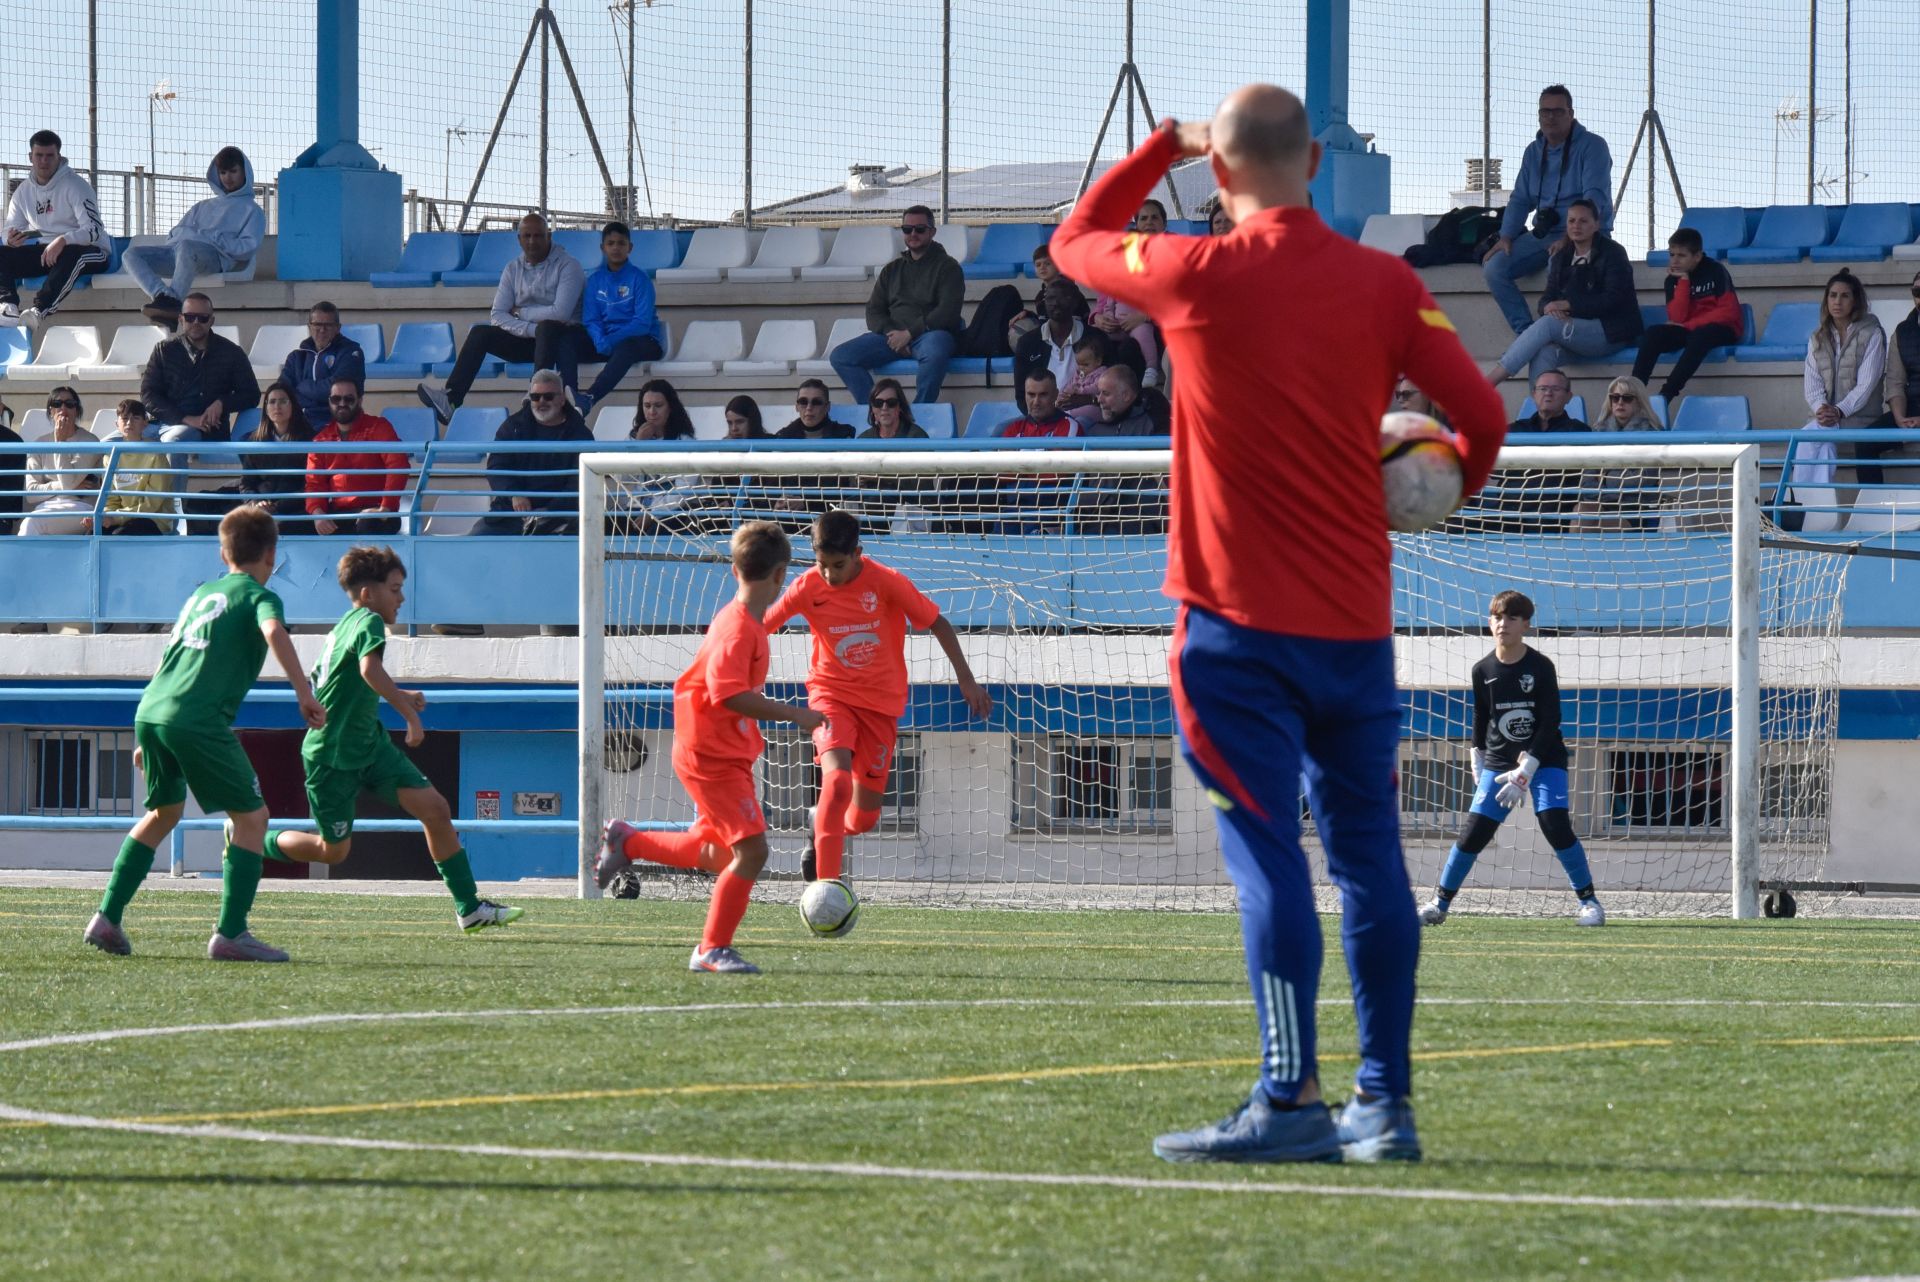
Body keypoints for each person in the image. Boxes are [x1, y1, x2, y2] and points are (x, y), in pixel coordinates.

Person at [1049, 86, 1506, 1164]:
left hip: (1233, 638)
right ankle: (1383, 1105)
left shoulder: (1193, 275)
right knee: (1371, 865)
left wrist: (1161, 142)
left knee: (1269, 866)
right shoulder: (1385, 282)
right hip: (1354, 630)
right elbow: (1481, 421)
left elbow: (1073, 241)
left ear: (1219, 173)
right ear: (1316, 164)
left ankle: (1289, 1097)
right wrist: (1441, 490)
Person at [81, 506, 327, 962]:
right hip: (197, 718)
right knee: (253, 819)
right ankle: (231, 933)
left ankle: (106, 917)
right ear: (272, 555)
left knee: (164, 813)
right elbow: (274, 630)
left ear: (223, 551)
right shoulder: (259, 595)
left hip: (154, 709)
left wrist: (150, 733)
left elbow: (172, 654)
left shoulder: (201, 594)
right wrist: (303, 692)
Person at [596, 521, 824, 974]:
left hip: (718, 749)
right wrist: (796, 714)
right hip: (710, 754)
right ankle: (711, 949)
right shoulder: (739, 628)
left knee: (721, 853)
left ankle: (630, 841)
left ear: (736, 568)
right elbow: (727, 694)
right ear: (780, 575)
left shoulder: (743, 621)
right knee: (752, 852)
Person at [259, 546, 524, 933]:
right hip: (331, 756)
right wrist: (408, 711)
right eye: (395, 589)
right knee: (332, 852)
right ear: (368, 594)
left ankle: (469, 907)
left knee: (435, 808)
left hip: (370, 747)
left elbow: (356, 680)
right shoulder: (366, 622)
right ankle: (252, 840)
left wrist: (401, 695)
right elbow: (369, 670)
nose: (402, 598)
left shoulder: (345, 626)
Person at [760, 509, 992, 886]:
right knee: (835, 782)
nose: (830, 575)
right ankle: (827, 888)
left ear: (858, 553)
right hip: (830, 695)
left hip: (881, 707)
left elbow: (938, 623)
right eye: (822, 565)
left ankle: (820, 823)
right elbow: (761, 625)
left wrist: (966, 680)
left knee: (864, 818)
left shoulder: (886, 582)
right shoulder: (806, 587)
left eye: (838, 565)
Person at [1421, 590, 1603, 928]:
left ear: (1526, 625)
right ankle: (1439, 904)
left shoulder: (1539, 666)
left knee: (1554, 824)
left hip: (1544, 758)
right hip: (1499, 762)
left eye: (1511, 618)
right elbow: (1481, 715)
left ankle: (1590, 903)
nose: (1502, 623)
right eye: (1497, 617)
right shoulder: (1482, 669)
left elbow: (1551, 721)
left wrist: (1528, 768)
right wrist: (1477, 757)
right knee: (1474, 832)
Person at [416, 213, 586, 425]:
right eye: (527, 236)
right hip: (530, 339)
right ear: (519, 239)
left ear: (549, 236)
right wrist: (532, 329)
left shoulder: (569, 266)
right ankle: (451, 400)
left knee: (549, 327)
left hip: (563, 342)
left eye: (538, 235)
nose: (532, 241)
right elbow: (497, 315)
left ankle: (533, 399)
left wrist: (521, 313)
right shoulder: (512, 268)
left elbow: (560, 313)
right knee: (480, 332)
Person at [1481, 86, 1615, 337]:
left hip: (1585, 234)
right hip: (1544, 235)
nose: (1550, 117)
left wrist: (1571, 237)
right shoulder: (1533, 151)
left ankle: (1564, 333)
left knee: (1560, 261)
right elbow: (1520, 198)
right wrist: (1506, 236)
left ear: (1571, 114)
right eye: (1545, 112)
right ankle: (1528, 334)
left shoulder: (1592, 146)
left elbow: (1595, 197)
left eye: (1557, 111)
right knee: (1494, 266)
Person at [1487, 199, 1639, 385]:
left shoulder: (1613, 253)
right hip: (1573, 332)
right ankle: (1539, 411)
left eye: (1583, 221)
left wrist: (1567, 305)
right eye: (1571, 221)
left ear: (1596, 225)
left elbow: (1613, 299)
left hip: (1611, 333)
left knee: (1550, 325)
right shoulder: (1562, 255)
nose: (1576, 226)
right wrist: (1549, 308)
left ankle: (1488, 383)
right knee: (1543, 351)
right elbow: (1547, 298)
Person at [829, 204, 963, 404]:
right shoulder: (891, 270)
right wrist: (894, 336)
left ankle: (919, 414)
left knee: (936, 350)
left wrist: (909, 334)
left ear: (932, 232)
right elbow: (874, 311)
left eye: (920, 229)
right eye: (907, 229)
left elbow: (948, 312)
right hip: (891, 338)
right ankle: (876, 412)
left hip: (929, 334)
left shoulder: (949, 267)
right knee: (841, 357)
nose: (913, 234)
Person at [129, 146, 263, 329]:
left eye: (233, 171)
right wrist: (192, 237)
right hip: (179, 254)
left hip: (214, 257)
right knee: (131, 255)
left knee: (187, 247)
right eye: (223, 172)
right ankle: (163, 297)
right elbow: (175, 234)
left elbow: (247, 248)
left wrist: (213, 238)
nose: (228, 178)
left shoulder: (252, 211)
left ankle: (173, 303)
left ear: (245, 172)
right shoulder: (202, 206)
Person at [1791, 270, 1887, 521]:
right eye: (1832, 295)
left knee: (1815, 439)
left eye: (1845, 296)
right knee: (1806, 440)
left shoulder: (1872, 333)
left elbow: (1867, 384)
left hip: (1861, 417)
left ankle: (1814, 512)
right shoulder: (1818, 337)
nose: (1837, 301)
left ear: (1855, 301)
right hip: (1829, 419)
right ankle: (1811, 511)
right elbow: (1811, 383)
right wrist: (1822, 408)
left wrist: (1839, 410)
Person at [0, 130, 109, 328]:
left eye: (50, 156)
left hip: (92, 251)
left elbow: (94, 230)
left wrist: (64, 239)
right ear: (30, 157)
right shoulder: (23, 191)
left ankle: (38, 311)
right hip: (49, 252)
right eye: (39, 155)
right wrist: (10, 238)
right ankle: (8, 307)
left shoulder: (75, 186)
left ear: (58, 156)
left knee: (72, 254)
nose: (44, 161)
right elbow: (9, 227)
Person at [470, 370, 592, 536]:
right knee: (476, 539)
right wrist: (514, 495)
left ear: (562, 399)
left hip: (560, 517)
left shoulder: (581, 435)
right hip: (510, 513)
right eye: (535, 397)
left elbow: (578, 483)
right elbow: (496, 467)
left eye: (548, 396)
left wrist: (548, 511)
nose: (541, 401)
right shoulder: (512, 426)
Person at [1632, 227, 1743, 402]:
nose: (1674, 261)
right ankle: (1633, 394)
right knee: (1653, 334)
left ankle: (1665, 396)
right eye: (1672, 255)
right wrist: (1683, 281)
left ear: (1697, 256)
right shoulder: (1672, 279)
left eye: (1681, 256)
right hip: (1689, 329)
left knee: (1700, 336)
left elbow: (1728, 312)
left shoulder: (1716, 270)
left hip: (1722, 328)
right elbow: (1677, 318)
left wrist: (1689, 326)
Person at [574, 220, 666, 417]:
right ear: (603, 248)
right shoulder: (595, 280)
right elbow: (591, 319)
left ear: (629, 248)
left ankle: (589, 398)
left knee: (627, 348)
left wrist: (609, 341)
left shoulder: (640, 279)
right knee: (567, 341)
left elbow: (641, 324)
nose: (616, 248)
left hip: (643, 342)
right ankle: (568, 396)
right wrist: (600, 340)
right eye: (611, 243)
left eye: (621, 243)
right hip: (606, 343)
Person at [139, 294, 258, 443]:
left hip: (205, 430)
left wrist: (222, 402)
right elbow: (148, 395)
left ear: (211, 321)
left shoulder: (232, 353)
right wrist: (186, 419)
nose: (196, 322)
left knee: (174, 441)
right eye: (190, 317)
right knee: (108, 444)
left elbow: (252, 394)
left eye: (202, 318)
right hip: (161, 423)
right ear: (181, 319)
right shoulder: (164, 350)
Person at [305, 378, 407, 535]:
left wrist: (385, 509)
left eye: (349, 398)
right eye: (336, 399)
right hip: (340, 513)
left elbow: (398, 464)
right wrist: (318, 514)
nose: (342, 403)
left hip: (376, 513)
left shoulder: (378, 427)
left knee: (367, 525)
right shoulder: (321, 439)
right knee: (296, 525)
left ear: (360, 400)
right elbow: (314, 483)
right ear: (329, 402)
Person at [17, 387, 99, 537]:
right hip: (46, 507)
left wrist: (59, 442)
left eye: (69, 403)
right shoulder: (39, 444)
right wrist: (64, 486)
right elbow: (31, 494)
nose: (63, 408)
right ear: (51, 411)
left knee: (32, 523)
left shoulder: (90, 441)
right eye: (57, 403)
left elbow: (68, 482)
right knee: (33, 522)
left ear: (76, 410)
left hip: (81, 508)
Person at [1864, 270, 1920, 488]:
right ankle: (1874, 509)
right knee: (1865, 442)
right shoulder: (1903, 331)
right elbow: (1895, 381)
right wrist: (1899, 418)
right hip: (1911, 410)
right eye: (1917, 291)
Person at [281, 302, 367, 428]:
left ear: (338, 327)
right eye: (317, 324)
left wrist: (302, 386)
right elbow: (282, 392)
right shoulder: (296, 357)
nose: (322, 330)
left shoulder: (351, 352)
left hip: (337, 424)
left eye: (328, 325)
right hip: (299, 422)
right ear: (309, 326)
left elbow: (338, 391)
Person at [1011, 280, 1089, 414]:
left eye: (1063, 297)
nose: (1056, 303)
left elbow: (1107, 391)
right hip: (1041, 419)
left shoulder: (1095, 338)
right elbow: (1021, 395)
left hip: (1085, 416)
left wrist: (1086, 400)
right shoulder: (1027, 343)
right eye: (1051, 298)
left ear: (1075, 302)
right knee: (1000, 431)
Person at [97, 400, 173, 535]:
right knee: (92, 532)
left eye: (136, 418)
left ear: (145, 423)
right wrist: (105, 518)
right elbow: (111, 500)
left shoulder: (156, 455)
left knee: (119, 536)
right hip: (122, 519)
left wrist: (117, 518)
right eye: (125, 418)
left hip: (153, 520)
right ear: (117, 424)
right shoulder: (110, 457)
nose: (129, 422)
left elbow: (152, 504)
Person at [1084, 365, 1156, 436]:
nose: (1099, 400)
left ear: (1126, 396)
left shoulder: (1150, 425)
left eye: (1106, 394)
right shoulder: (1094, 430)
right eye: (1098, 393)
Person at [775, 380, 854, 441]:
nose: (809, 407)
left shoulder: (843, 436)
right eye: (803, 402)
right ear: (797, 407)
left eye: (816, 402)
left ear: (827, 407)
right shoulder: (783, 437)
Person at [858, 378, 926, 439]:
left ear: (900, 407)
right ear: (872, 408)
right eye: (878, 403)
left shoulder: (917, 437)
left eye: (891, 402)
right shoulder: (864, 440)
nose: (884, 408)